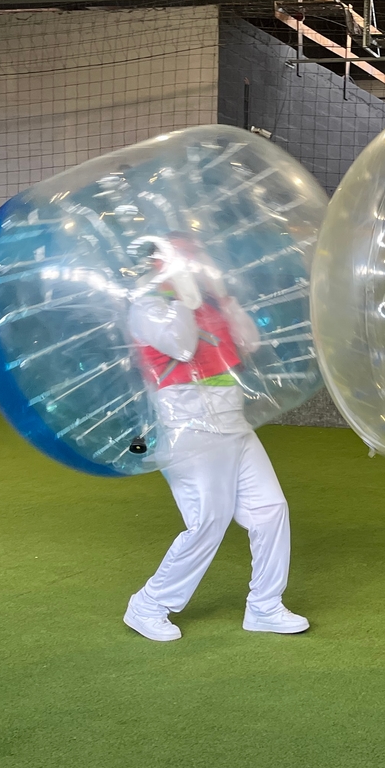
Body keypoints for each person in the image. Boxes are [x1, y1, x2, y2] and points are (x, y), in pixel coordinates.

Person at [122, 236, 308, 642]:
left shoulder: (208, 303)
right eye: (186, 259)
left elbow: (250, 341)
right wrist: (186, 300)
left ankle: (265, 605)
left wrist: (223, 297)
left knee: (271, 509)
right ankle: (148, 605)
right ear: (161, 265)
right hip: (188, 426)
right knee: (207, 520)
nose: (196, 265)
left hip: (233, 421)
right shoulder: (147, 306)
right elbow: (182, 346)